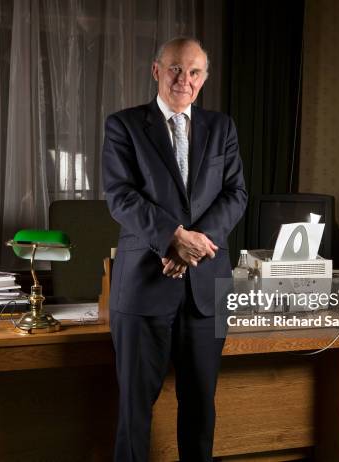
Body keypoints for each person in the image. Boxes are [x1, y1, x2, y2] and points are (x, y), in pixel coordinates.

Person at [102, 37, 247, 462]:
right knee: (134, 410)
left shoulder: (222, 128)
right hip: (144, 285)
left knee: (201, 406)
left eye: (194, 71)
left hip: (205, 289)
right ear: (156, 71)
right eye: (175, 69)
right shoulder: (124, 125)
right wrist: (173, 239)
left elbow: (236, 194)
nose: (184, 79)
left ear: (204, 78)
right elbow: (120, 196)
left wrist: (194, 246)